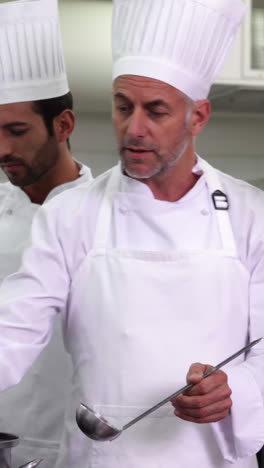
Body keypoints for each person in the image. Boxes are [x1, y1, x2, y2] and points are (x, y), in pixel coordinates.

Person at [0, 0, 264, 467]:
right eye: (123, 108)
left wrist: (235, 390)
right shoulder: (72, 212)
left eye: (156, 111)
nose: (133, 129)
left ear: (198, 117)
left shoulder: (251, 215)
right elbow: (13, 328)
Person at [0, 1, 92, 466]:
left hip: (70, 450)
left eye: (16, 130)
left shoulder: (108, 219)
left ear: (64, 125)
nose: (2, 148)